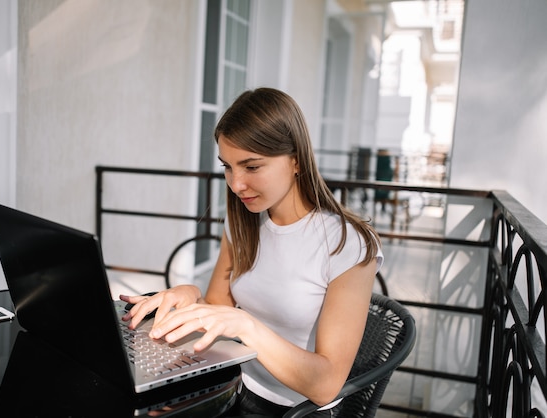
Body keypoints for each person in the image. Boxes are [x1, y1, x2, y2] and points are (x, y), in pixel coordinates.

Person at [120, 88, 383, 417]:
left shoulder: (348, 244)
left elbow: (326, 384)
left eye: (252, 167)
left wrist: (246, 326)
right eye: (228, 167)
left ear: (296, 160)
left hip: (295, 409)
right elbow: (219, 308)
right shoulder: (243, 219)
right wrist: (189, 296)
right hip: (232, 385)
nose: (236, 184)